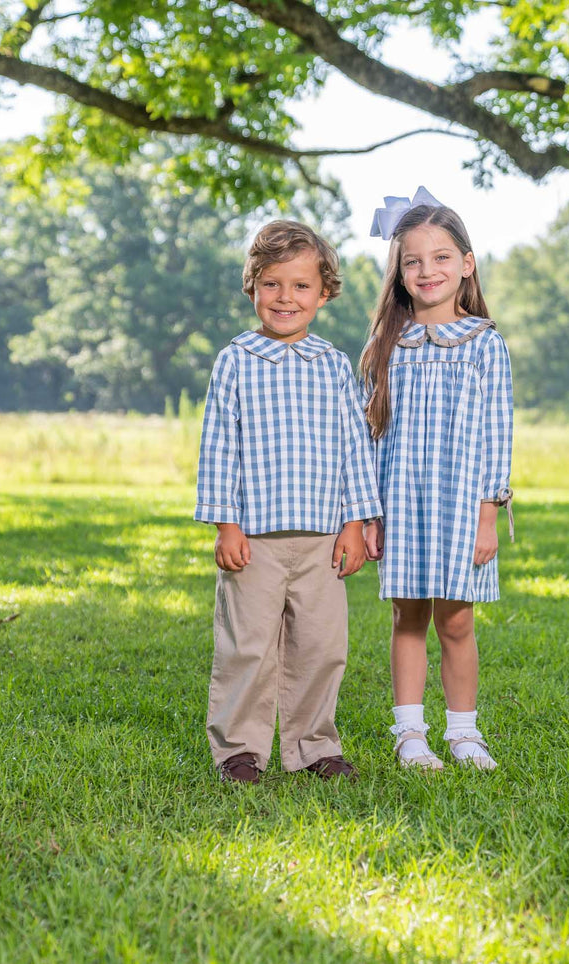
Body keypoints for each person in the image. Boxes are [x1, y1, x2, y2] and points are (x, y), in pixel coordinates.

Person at [194, 220, 382, 785]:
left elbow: (355, 448)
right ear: (253, 287)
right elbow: (219, 447)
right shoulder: (235, 361)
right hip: (255, 536)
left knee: (321, 647)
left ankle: (314, 745)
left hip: (324, 535)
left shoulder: (332, 364)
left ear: (324, 292)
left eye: (302, 287)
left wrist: (356, 521)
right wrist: (226, 524)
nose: (286, 298)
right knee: (249, 647)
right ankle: (239, 751)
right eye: (272, 285)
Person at [360, 189, 514, 771]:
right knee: (408, 617)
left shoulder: (484, 344)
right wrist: (369, 513)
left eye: (442, 257)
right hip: (399, 503)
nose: (428, 271)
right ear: (399, 274)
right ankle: (410, 734)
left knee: (456, 619)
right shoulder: (384, 348)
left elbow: (497, 433)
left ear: (466, 264)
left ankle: (464, 733)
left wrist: (487, 516)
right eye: (414, 261)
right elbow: (367, 439)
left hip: (459, 507)